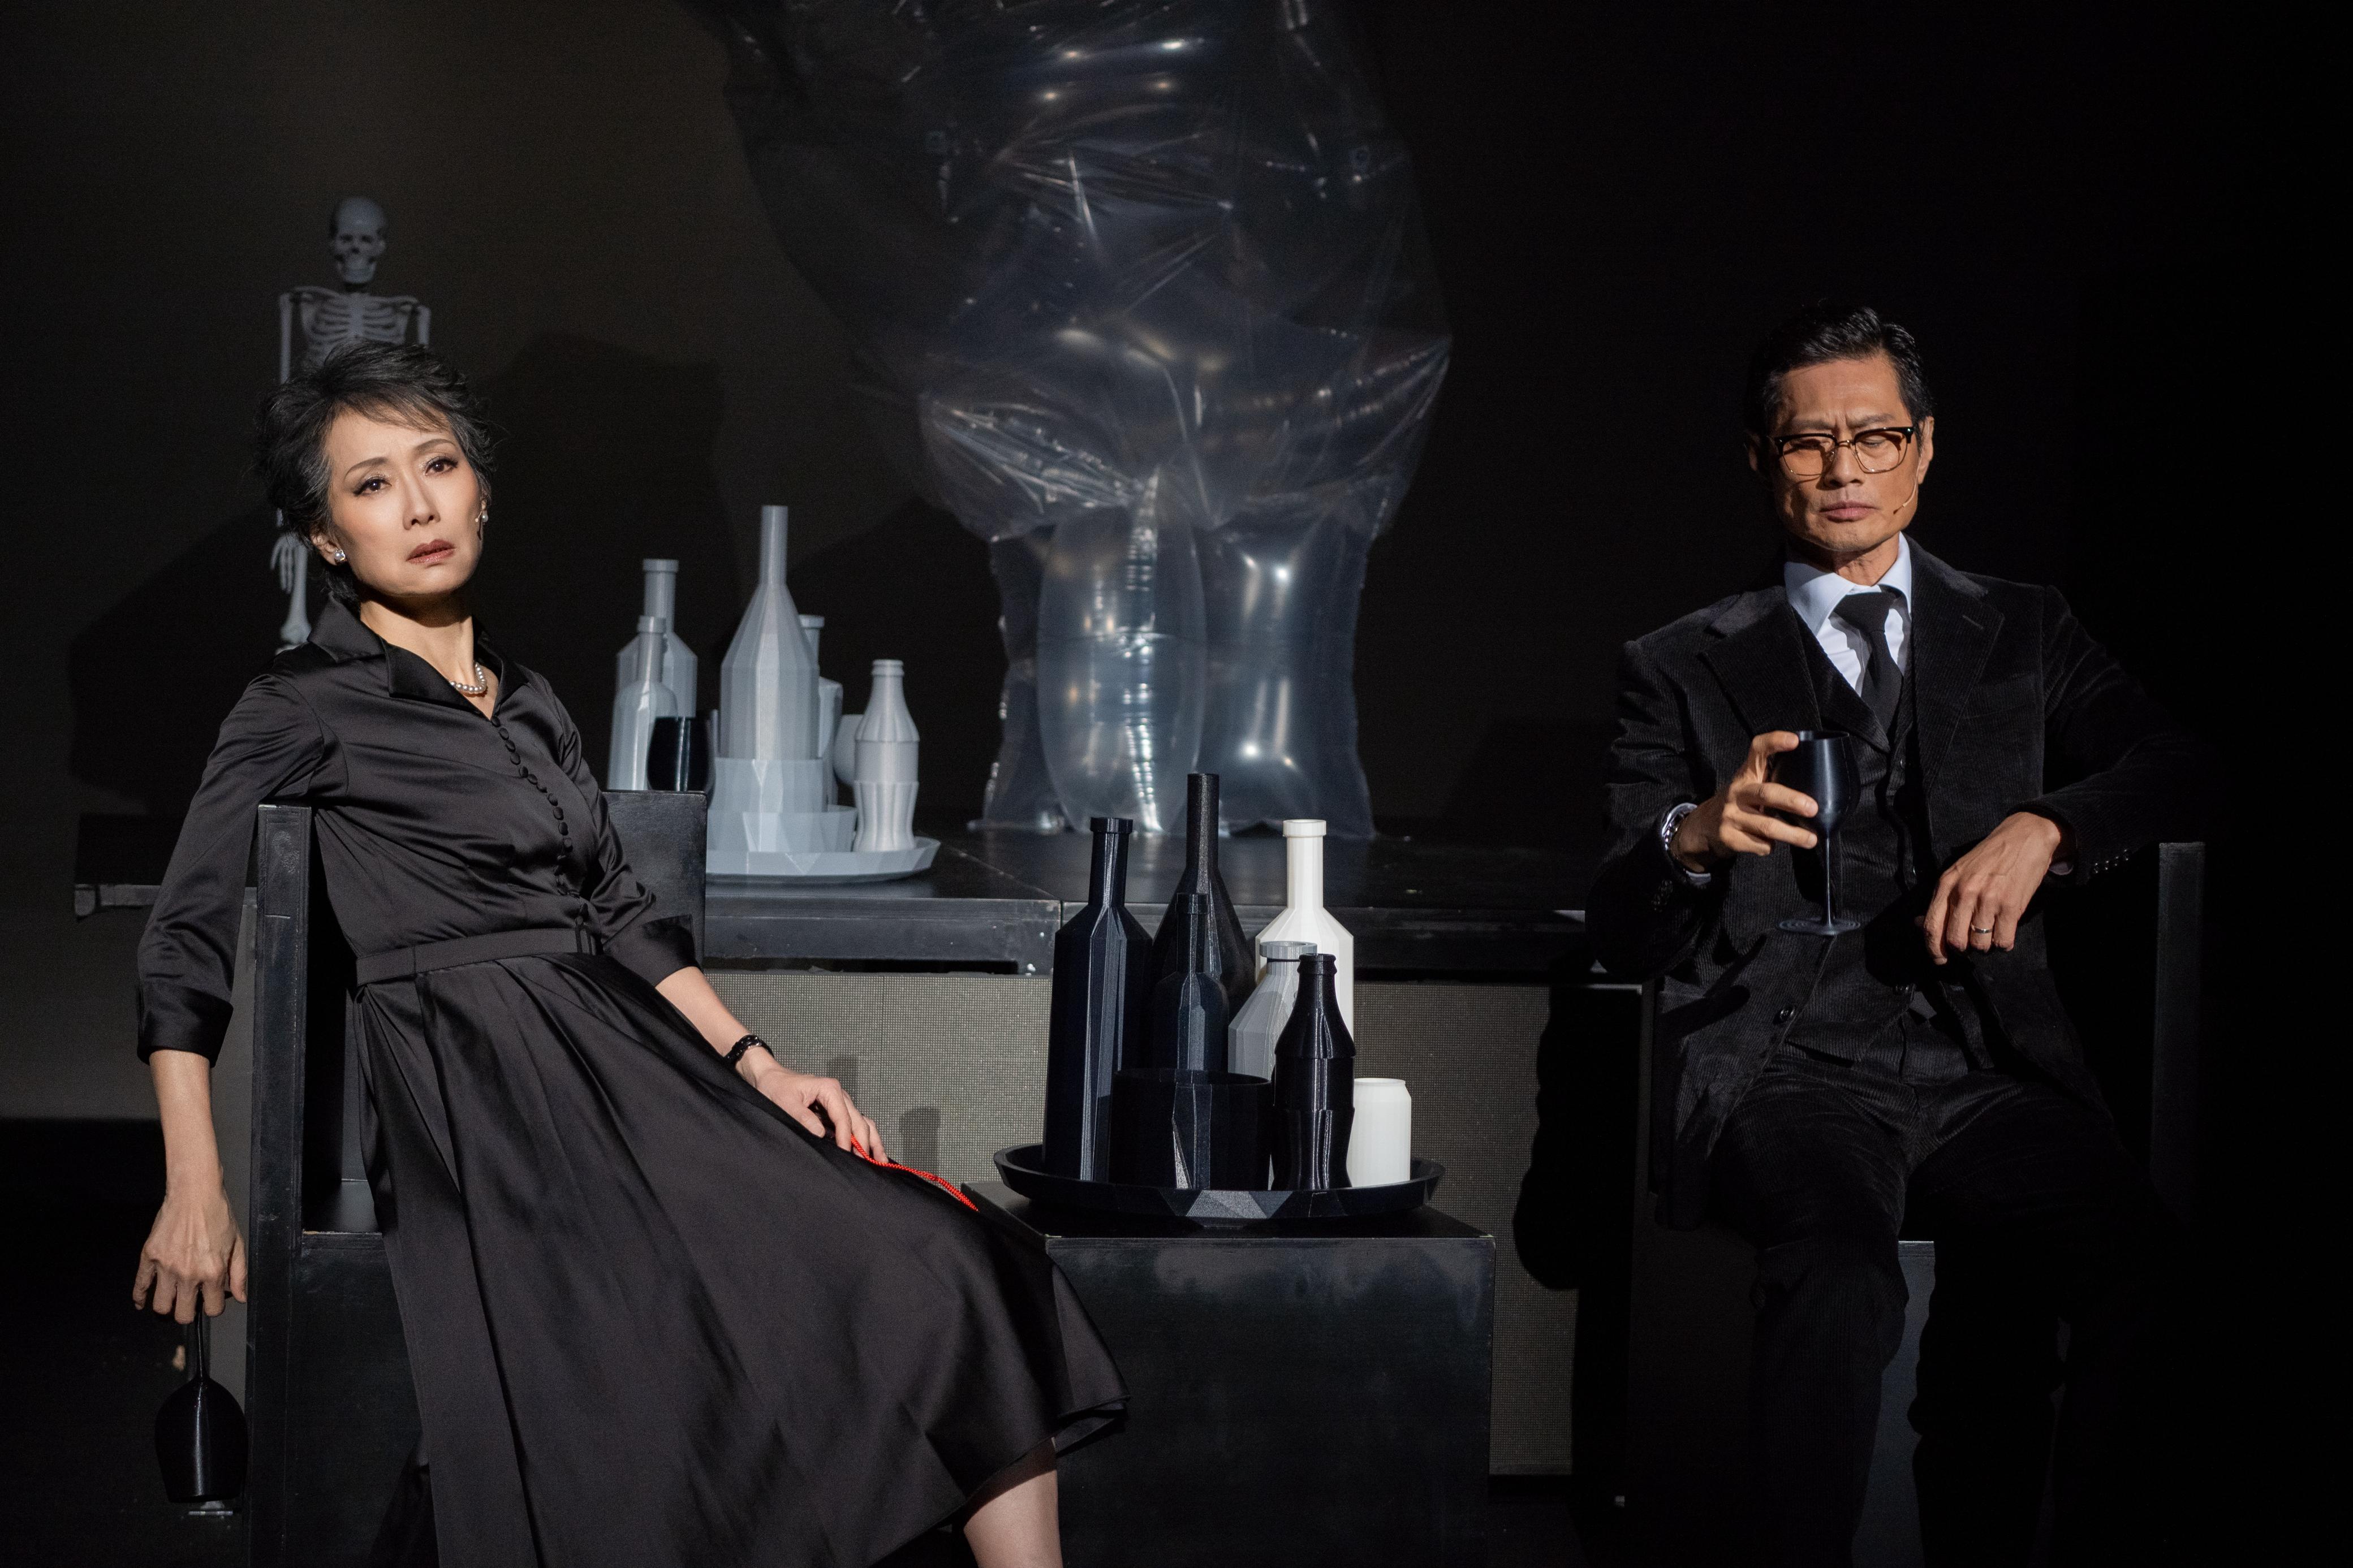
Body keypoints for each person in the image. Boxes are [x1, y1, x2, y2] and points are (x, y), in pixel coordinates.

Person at [129, 343, 1123, 1568]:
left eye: (439, 466)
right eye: (373, 484)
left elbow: (616, 906)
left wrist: (760, 1064)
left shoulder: (530, 698)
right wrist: (195, 1181)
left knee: (944, 1254)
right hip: (484, 1083)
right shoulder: (301, 703)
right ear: (327, 537)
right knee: (672, 1357)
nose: (421, 505)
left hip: (630, 1057)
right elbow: (183, 936)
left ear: (481, 490)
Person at [1588, 303, 2207, 1566]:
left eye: (1874, 438)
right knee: (1838, 1279)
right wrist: (1691, 839)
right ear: (1762, 459)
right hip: (1790, 1067)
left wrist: (2050, 825)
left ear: (1923, 448)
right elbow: (1618, 918)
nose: (1844, 469)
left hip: (1986, 1066)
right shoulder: (1680, 662)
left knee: (2145, 1271)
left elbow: (2182, 765)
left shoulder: (2021, 628)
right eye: (1809, 441)